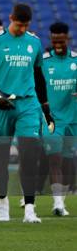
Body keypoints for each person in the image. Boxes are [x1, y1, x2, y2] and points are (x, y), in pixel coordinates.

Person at [0, 3, 54, 223]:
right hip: (1, 106)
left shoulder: (34, 42)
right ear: (10, 19)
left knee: (29, 155)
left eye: (26, 25)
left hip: (27, 105)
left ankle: (29, 210)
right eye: (18, 24)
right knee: (2, 157)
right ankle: (3, 205)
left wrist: (46, 109)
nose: (22, 29)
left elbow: (38, 76)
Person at [41, 22, 75, 216]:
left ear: (67, 39)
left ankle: (64, 196)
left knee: (68, 162)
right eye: (54, 40)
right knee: (55, 159)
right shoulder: (43, 61)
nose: (58, 44)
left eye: (61, 40)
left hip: (73, 120)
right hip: (52, 120)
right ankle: (58, 203)